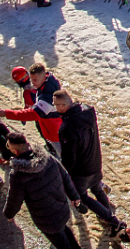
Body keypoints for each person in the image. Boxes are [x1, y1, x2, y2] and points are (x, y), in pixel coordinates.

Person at [1, 131, 94, 249]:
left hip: (46, 219)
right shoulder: (47, 157)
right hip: (62, 208)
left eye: (8, 146)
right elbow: (65, 176)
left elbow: (14, 200)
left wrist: (8, 215)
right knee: (66, 232)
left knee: (64, 246)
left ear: (15, 151)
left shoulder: (18, 175)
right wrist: (74, 197)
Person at [51, 89, 124, 234]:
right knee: (97, 188)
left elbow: (68, 158)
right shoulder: (87, 113)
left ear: (62, 106)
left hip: (81, 171)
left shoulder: (66, 128)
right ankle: (107, 213)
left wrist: (66, 175)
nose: (55, 108)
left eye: (56, 105)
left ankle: (112, 220)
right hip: (95, 161)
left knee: (83, 197)